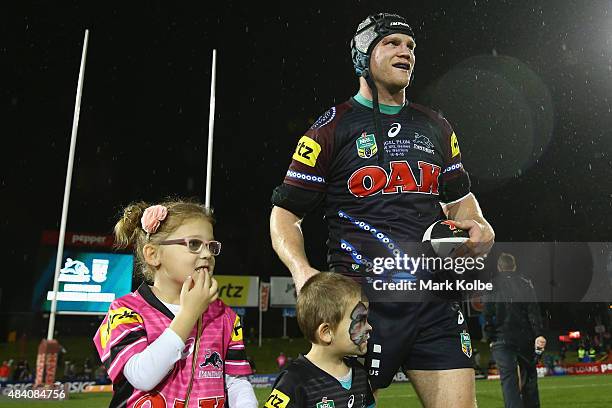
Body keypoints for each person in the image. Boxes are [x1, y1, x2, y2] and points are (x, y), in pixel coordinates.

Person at [270, 12, 494, 407]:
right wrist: (302, 272)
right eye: (391, 43)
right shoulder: (329, 128)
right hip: (361, 307)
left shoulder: (437, 126)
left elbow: (460, 201)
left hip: (434, 300)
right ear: (362, 54)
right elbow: (285, 214)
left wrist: (477, 224)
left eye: (410, 46)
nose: (405, 51)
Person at [93, 200, 257, 408]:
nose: (207, 254)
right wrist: (189, 314)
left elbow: (236, 383)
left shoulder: (225, 317)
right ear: (153, 254)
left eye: (211, 246)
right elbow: (142, 376)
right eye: (194, 244)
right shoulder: (125, 310)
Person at [264, 273, 375, 408]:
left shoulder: (360, 374)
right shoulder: (293, 381)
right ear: (326, 332)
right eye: (360, 320)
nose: (369, 327)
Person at [484, 253, 546, 408]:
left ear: (499, 268)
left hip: (501, 338)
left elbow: (488, 314)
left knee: (509, 379)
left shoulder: (492, 285)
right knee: (529, 376)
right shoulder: (526, 284)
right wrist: (538, 333)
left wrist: (490, 337)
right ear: (514, 267)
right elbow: (533, 311)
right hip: (525, 338)